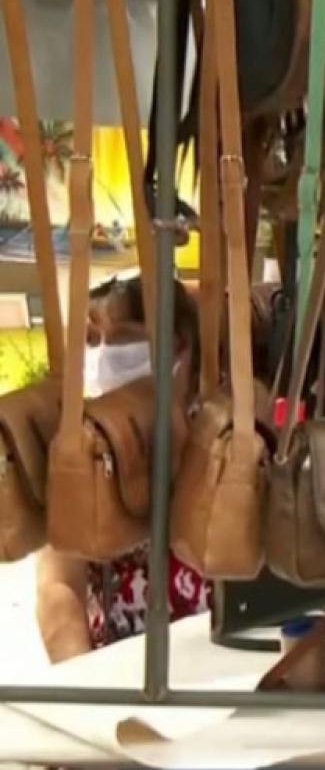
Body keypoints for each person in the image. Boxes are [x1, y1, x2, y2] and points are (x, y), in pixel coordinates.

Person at [36, 275, 211, 663]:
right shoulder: (80, 447)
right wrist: (84, 681)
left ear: (179, 345)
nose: (101, 357)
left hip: (222, 664)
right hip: (115, 670)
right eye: (90, 340)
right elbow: (58, 585)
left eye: (122, 339)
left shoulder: (221, 436)